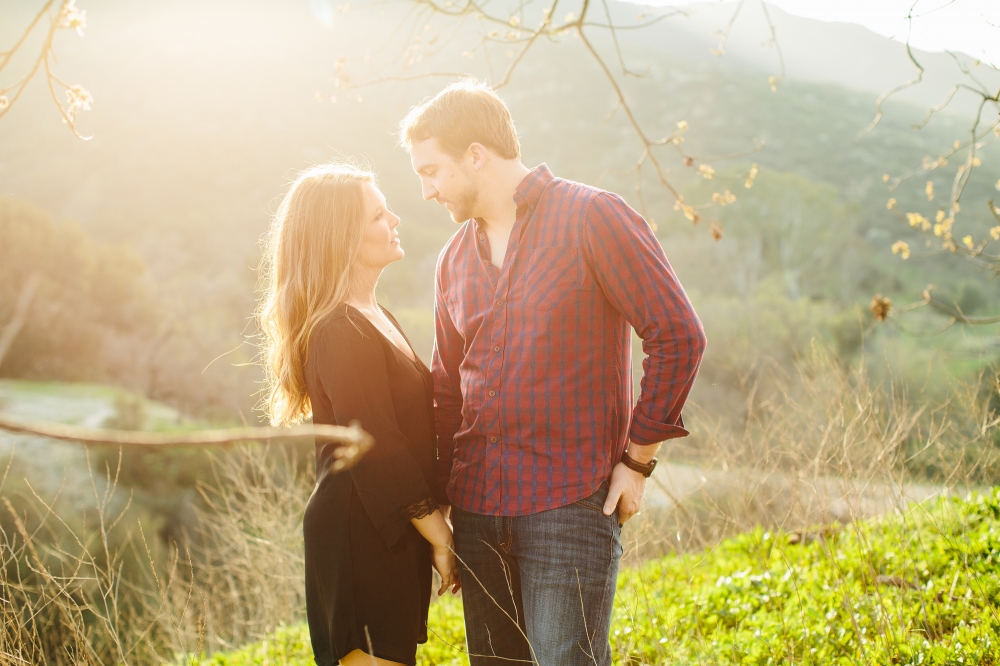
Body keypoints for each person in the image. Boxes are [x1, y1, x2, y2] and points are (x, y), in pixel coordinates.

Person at [399, 81, 707, 666]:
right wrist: (440, 497)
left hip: (567, 504)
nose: (426, 190)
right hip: (477, 512)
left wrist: (638, 461)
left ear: (475, 154)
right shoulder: (454, 259)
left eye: (431, 170)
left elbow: (677, 334)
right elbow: (446, 391)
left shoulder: (593, 216)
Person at [257, 163, 460, 666]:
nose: (395, 218)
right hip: (360, 531)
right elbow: (376, 442)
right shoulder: (339, 329)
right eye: (377, 214)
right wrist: (440, 535)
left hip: (389, 525)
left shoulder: (375, 316)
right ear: (341, 238)